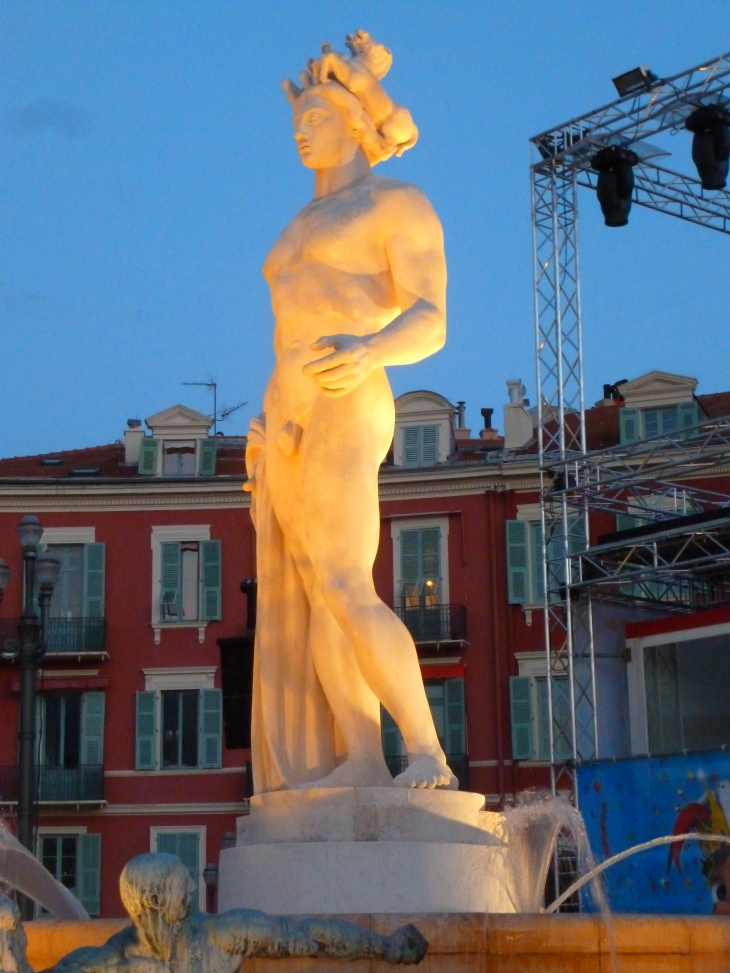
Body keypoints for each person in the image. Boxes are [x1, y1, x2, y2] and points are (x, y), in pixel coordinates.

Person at [246, 31, 456, 793]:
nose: (302, 128)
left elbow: (432, 318)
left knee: (343, 581)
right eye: (296, 118)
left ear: (357, 124)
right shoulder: (297, 226)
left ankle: (428, 752)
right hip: (288, 417)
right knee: (316, 594)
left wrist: (370, 350)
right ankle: (364, 757)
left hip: (347, 394)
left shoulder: (396, 202)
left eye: (319, 116)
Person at [45, 854, 427, 973]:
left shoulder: (223, 934)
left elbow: (309, 935)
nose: (194, 890)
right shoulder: (104, 963)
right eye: (182, 884)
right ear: (156, 900)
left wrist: (386, 946)